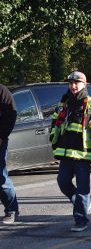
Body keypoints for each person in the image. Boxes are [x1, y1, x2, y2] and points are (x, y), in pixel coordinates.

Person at [50, 71, 91, 232]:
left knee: (83, 190)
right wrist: (54, 143)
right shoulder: (64, 104)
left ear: (85, 84)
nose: (73, 86)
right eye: (71, 83)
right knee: (63, 183)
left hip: (84, 156)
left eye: (77, 83)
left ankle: (80, 220)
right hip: (66, 155)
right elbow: (55, 124)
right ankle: (82, 204)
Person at [0, 84, 19, 224]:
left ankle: (11, 210)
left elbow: (11, 115)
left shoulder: (2, 91)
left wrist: (1, 137)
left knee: (1, 178)